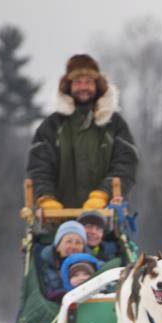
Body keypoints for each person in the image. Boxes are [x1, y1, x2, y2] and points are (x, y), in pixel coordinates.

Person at [26, 54, 138, 212]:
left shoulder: (114, 124)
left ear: (97, 85)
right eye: (78, 82)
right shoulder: (52, 125)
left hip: (105, 221)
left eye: (88, 82)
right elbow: (39, 166)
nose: (83, 87)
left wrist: (102, 194)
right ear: (69, 86)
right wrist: (46, 197)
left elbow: (126, 164)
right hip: (58, 222)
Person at [37, 220, 88, 297]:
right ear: (58, 246)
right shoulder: (44, 269)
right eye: (69, 241)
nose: (73, 246)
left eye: (78, 242)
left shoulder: (93, 265)